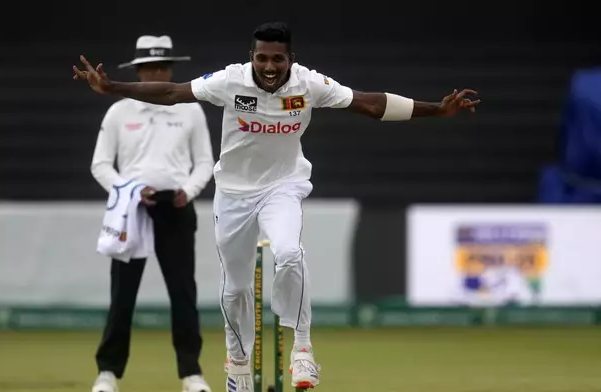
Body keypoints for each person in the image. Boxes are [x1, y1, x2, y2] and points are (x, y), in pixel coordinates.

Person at [73, 22, 480, 392]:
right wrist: (113, 88)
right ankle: (238, 363)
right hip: (232, 194)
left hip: (283, 186)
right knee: (235, 288)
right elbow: (171, 92)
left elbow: (370, 104)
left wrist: (435, 109)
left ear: (291, 59)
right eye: (262, 58)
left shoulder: (309, 84)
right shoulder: (229, 81)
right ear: (252, 57)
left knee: (288, 253)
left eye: (278, 58)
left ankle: (302, 349)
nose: (269, 66)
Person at [88, 35, 214, 392]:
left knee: (183, 293)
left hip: (175, 207)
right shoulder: (119, 110)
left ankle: (191, 373)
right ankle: (108, 373)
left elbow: (204, 162)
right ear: (138, 71)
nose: (157, 73)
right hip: (131, 210)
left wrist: (187, 192)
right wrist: (128, 191)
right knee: (122, 294)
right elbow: (100, 165)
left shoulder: (189, 108)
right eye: (150, 67)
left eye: (163, 66)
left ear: (171, 69)